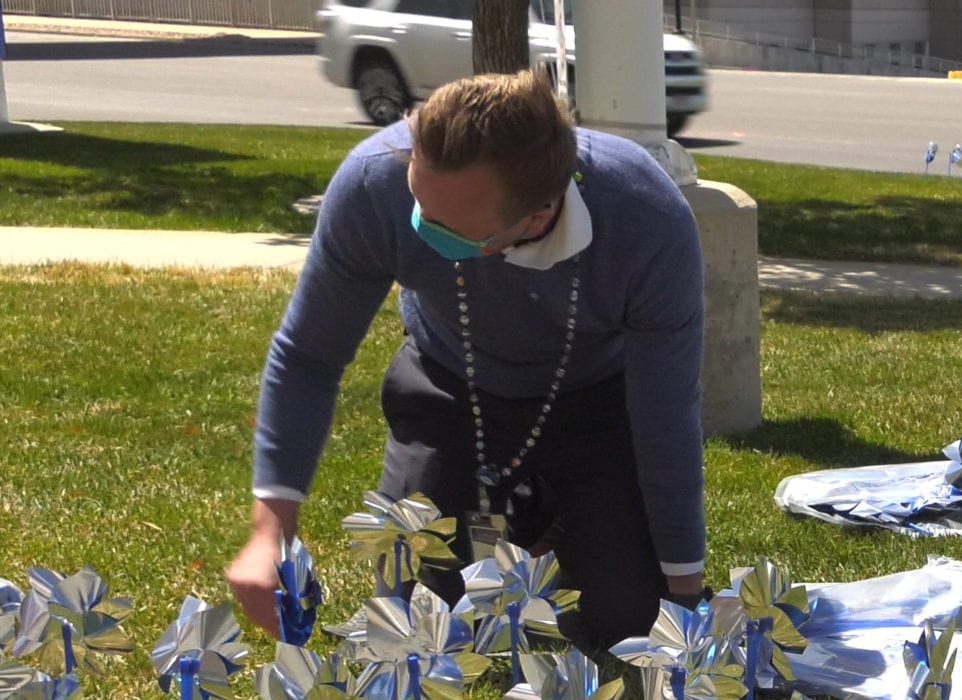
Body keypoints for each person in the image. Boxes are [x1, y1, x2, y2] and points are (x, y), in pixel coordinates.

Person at [227, 69, 706, 648]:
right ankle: (521, 528)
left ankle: (556, 526)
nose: (419, 223)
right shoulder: (374, 182)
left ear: (536, 217)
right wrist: (269, 531)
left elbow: (666, 414)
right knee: (427, 611)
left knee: (630, 619)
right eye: (417, 200)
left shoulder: (646, 218)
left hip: (595, 400)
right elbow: (307, 355)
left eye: (445, 227)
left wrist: (682, 591)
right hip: (449, 388)